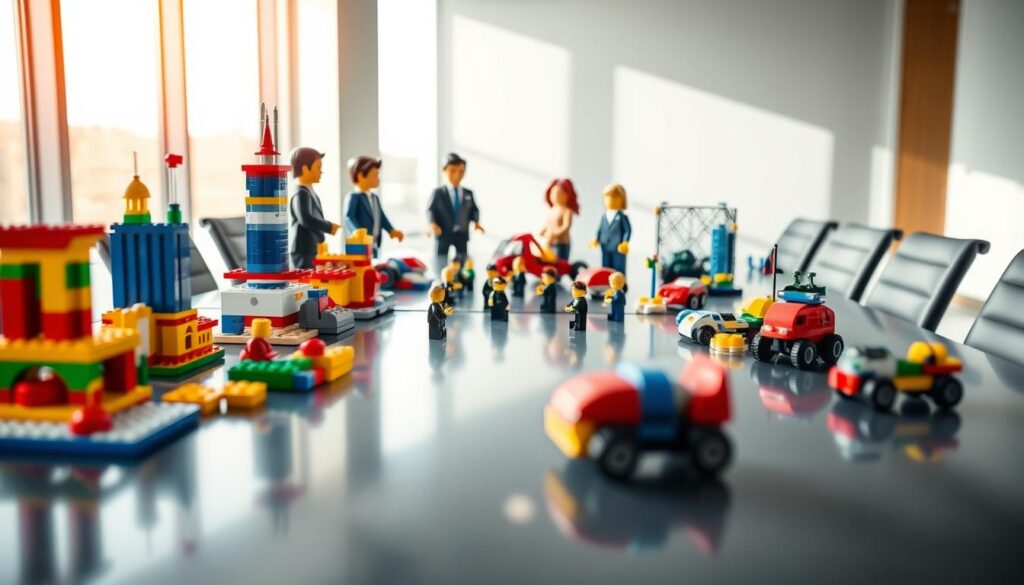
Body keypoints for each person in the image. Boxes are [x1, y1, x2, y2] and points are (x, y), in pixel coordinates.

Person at [288, 147, 340, 269]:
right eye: (318, 168)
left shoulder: (308, 191)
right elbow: (305, 218)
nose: (321, 172)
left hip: (311, 247)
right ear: (305, 169)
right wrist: (329, 226)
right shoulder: (301, 193)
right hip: (303, 249)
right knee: (306, 281)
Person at [427, 153, 484, 262]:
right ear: (444, 171)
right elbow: (431, 210)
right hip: (443, 234)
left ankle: (461, 278)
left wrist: (476, 222)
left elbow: (474, 210)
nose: (457, 175)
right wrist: (432, 223)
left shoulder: (468, 193)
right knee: (441, 259)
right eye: (453, 171)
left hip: (462, 234)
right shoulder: (438, 193)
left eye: (461, 171)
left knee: (463, 260)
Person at [344, 156, 404, 254]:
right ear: (361, 176)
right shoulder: (354, 197)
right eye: (375, 175)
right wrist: (356, 231)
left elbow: (381, 217)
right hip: (359, 245)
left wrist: (391, 230)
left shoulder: (374, 197)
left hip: (374, 243)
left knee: (373, 264)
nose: (378, 179)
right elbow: (349, 217)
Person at [590, 183, 631, 275]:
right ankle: (606, 284)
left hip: (618, 247)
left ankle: (620, 286)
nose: (610, 200)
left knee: (618, 267)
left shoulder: (622, 217)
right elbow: (600, 229)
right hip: (604, 245)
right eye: (607, 197)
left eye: (614, 197)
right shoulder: (604, 216)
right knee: (606, 266)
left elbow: (627, 230)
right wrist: (596, 239)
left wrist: (625, 242)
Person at [539, 178, 579, 261]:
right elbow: (547, 224)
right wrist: (542, 232)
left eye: (558, 193)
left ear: (566, 195)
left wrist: (555, 234)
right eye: (552, 193)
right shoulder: (552, 210)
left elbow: (566, 227)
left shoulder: (567, 211)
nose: (554, 195)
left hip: (561, 244)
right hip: (550, 243)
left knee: (559, 263)